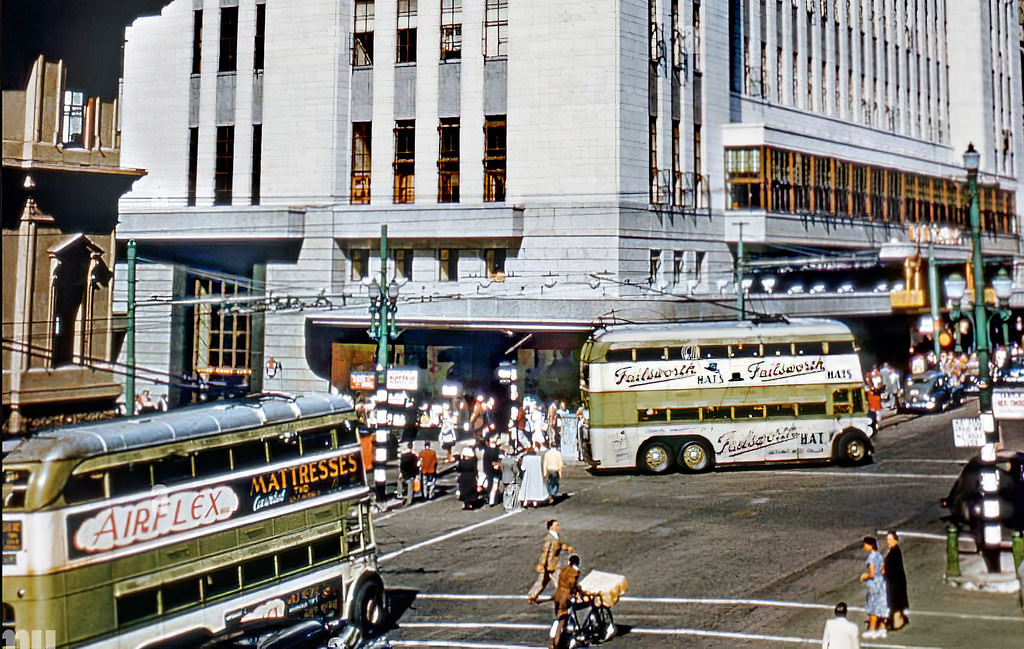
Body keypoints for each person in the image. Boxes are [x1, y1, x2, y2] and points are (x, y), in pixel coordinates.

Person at [528, 519, 574, 604]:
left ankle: (532, 595)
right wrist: (542, 564)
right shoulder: (549, 538)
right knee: (558, 580)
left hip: (553, 563)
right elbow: (545, 551)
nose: (558, 527)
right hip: (551, 564)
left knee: (543, 581)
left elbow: (559, 545)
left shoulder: (555, 536)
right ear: (551, 527)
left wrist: (567, 548)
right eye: (556, 525)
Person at [549, 554, 582, 649]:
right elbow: (572, 586)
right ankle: (556, 644)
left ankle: (552, 641)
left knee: (557, 619)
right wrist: (578, 590)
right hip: (565, 599)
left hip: (558, 596)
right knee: (561, 623)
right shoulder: (575, 573)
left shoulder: (564, 570)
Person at [860, 536, 888, 639]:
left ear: (870, 545)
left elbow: (871, 574)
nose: (864, 547)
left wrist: (864, 577)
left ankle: (872, 629)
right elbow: (883, 570)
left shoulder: (871, 558)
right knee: (881, 607)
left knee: (872, 608)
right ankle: (882, 628)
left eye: (865, 545)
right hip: (882, 583)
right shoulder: (879, 556)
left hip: (874, 585)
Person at [884, 530, 909, 631]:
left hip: (895, 581)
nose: (888, 541)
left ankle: (898, 624)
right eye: (887, 539)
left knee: (895, 604)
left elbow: (893, 568)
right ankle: (896, 622)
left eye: (890, 539)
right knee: (894, 603)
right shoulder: (893, 550)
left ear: (896, 540)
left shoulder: (895, 552)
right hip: (893, 581)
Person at [483, 437, 503, 506]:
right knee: (494, 486)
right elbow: (495, 461)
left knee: (492, 485)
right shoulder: (495, 451)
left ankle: (492, 499)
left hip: (489, 471)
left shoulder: (487, 451)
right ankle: (492, 500)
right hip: (494, 471)